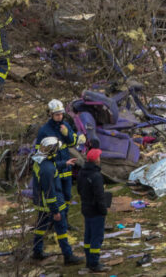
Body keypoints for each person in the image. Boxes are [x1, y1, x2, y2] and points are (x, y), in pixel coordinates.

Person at [31, 137, 83, 265]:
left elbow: (52, 166)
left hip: (42, 203)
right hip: (52, 204)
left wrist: (64, 163)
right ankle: (68, 256)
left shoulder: (41, 161)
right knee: (61, 229)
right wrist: (55, 211)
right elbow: (50, 192)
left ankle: (37, 251)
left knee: (41, 227)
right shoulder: (47, 170)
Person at [36, 100, 83, 228]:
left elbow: (73, 143)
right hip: (54, 168)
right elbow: (39, 153)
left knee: (67, 196)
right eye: (57, 114)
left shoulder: (66, 126)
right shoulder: (44, 131)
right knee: (55, 197)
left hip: (66, 168)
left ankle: (65, 221)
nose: (59, 117)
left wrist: (67, 134)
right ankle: (53, 222)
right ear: (51, 114)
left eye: (61, 114)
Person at [76, 148, 111, 273]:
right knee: (97, 237)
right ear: (96, 159)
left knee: (88, 236)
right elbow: (99, 196)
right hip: (96, 211)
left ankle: (89, 261)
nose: (100, 159)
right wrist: (103, 211)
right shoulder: (96, 176)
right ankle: (94, 263)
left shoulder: (82, 172)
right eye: (99, 157)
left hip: (86, 209)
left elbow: (79, 190)